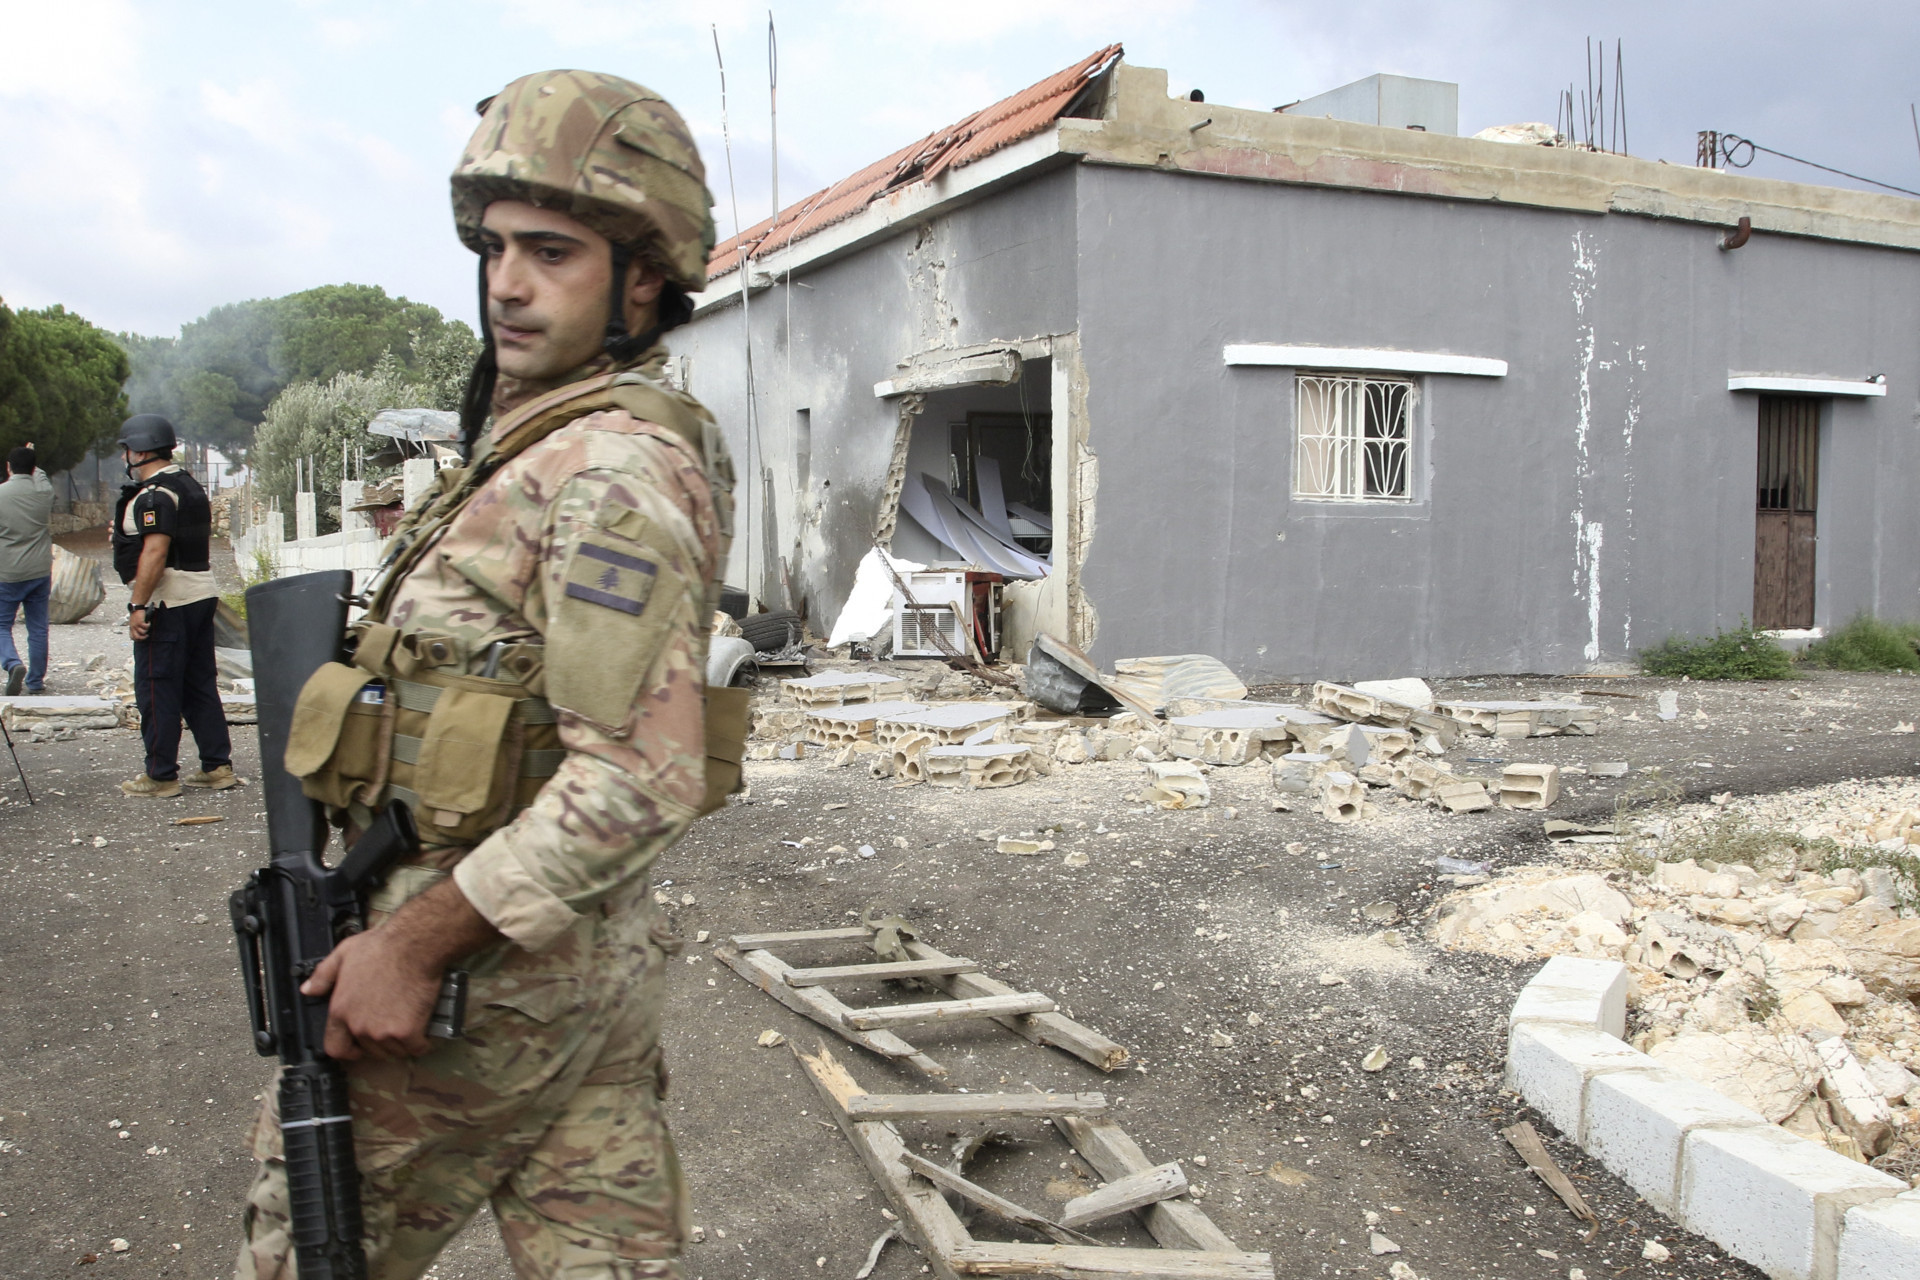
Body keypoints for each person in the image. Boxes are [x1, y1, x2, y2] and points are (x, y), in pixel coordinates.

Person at [235, 71, 736, 1280]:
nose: (507, 282)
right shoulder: (535, 442)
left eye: (551, 251)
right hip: (571, 985)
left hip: (473, 1001)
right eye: (496, 248)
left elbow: (637, 775)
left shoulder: (609, 469)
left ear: (642, 277)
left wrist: (409, 945)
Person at [111, 414, 235, 798]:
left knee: (156, 686)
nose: (125, 456)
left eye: (128, 448)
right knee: (199, 684)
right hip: (201, 594)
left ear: (142, 449)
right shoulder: (189, 486)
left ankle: (161, 775)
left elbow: (155, 552)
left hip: (170, 600)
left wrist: (137, 605)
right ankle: (217, 766)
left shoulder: (154, 495)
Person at [0, 442, 53, 696]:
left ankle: (12, 663)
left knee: (1, 625)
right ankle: (35, 681)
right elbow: (40, 476)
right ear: (33, 469)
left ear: (8, 468)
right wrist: (33, 455)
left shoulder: (1, 494)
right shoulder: (44, 492)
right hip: (40, 570)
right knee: (38, 627)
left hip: (7, 572)